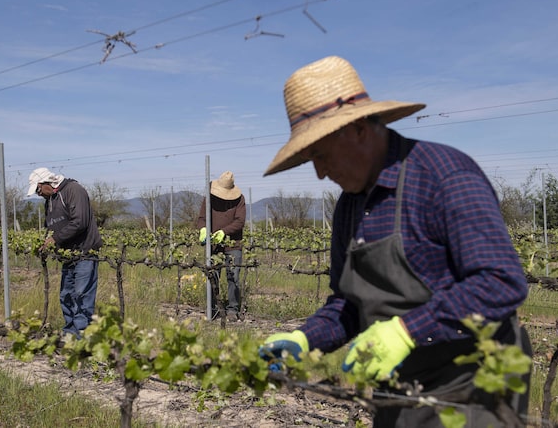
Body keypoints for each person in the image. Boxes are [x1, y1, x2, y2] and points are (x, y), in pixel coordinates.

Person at [258, 56, 532, 427]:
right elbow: (348, 304)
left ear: (358, 129)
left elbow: (500, 280)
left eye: (320, 155)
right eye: (310, 160)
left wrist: (407, 332)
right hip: (395, 387)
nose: (320, 173)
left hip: (473, 386)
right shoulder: (349, 206)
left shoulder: (444, 176)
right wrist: (304, 340)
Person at [27, 167, 103, 338]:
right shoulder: (50, 199)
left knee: (82, 295)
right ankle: (69, 331)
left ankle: (83, 337)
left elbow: (80, 221)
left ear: (47, 182)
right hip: (68, 255)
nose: (39, 194)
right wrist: (46, 244)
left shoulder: (73, 190)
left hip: (84, 252)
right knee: (66, 295)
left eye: (38, 189)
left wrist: (55, 240)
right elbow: (52, 226)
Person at [196, 170, 246, 321]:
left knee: (233, 276)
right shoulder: (209, 198)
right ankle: (212, 308)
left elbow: (239, 221)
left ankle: (232, 309)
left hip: (233, 244)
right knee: (213, 275)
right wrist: (203, 229)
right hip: (213, 244)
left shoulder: (239, 200)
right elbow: (202, 218)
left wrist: (223, 232)